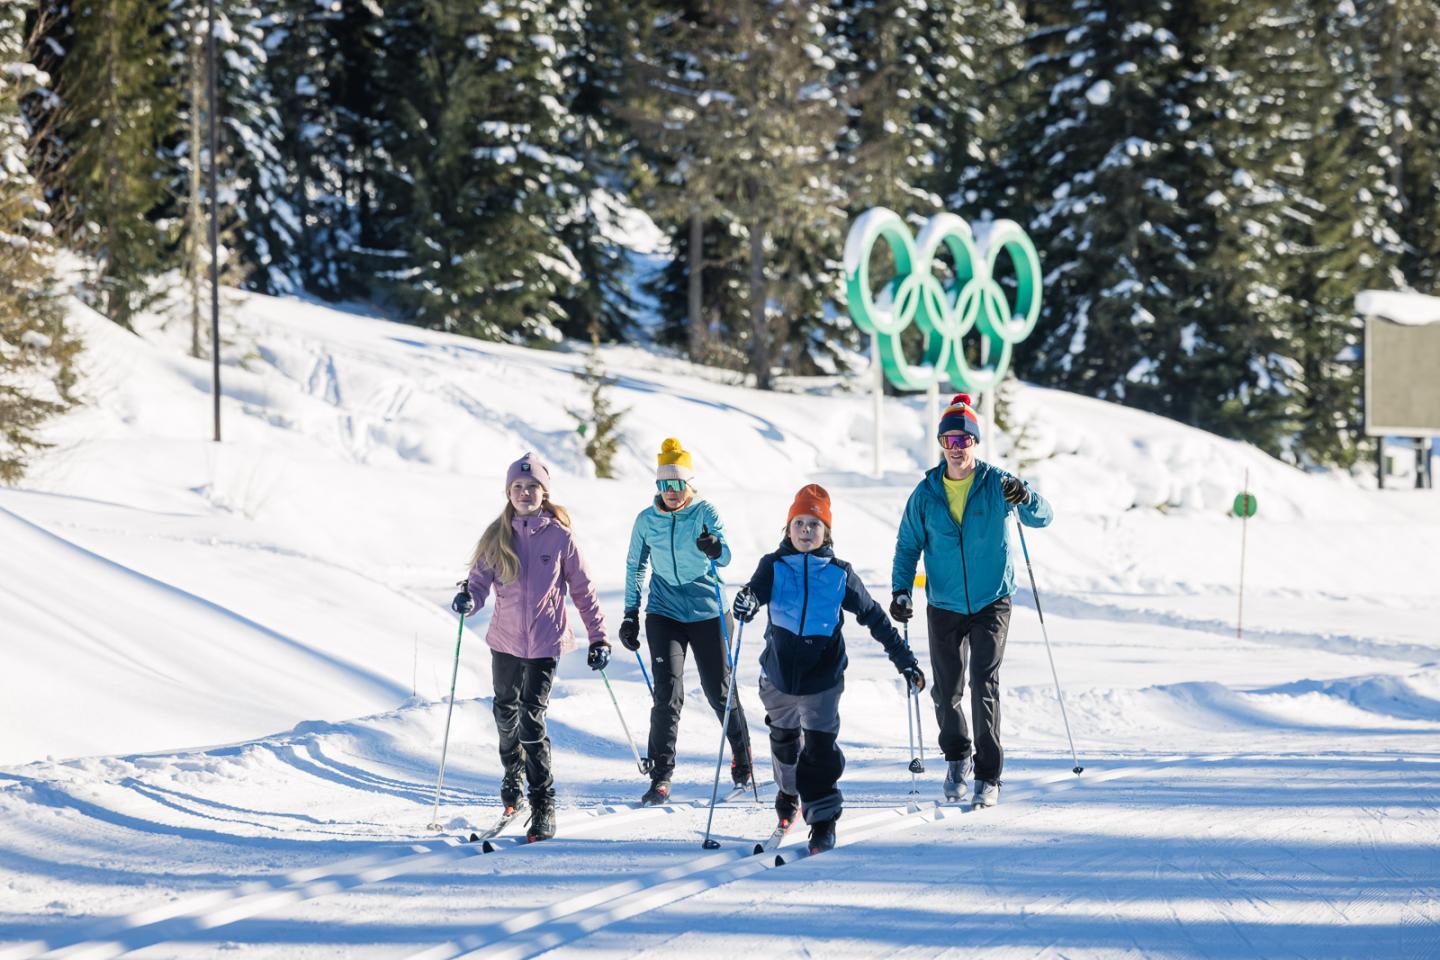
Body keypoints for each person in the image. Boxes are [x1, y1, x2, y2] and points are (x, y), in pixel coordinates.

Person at [732, 483, 925, 853]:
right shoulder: (772, 565)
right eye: (799, 523)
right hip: (778, 677)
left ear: (826, 532)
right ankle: (788, 797)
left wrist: (904, 660)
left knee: (819, 752)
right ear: (788, 528)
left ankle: (822, 820)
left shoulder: (840, 574)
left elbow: (875, 618)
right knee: (785, 746)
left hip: (822, 679)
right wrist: (747, 602)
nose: (806, 531)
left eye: (814, 525)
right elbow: (754, 592)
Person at [890, 393, 1053, 808]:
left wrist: (1026, 494)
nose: (957, 448)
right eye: (950, 440)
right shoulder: (925, 493)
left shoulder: (997, 483)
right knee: (946, 691)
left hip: (991, 598)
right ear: (941, 445)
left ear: (975, 443)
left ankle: (988, 774)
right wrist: (901, 590)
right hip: (944, 601)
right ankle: (957, 756)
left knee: (983, 682)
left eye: (964, 440)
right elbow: (908, 546)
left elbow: (1043, 516)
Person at [452, 452, 610, 842]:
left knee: (529, 720)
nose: (525, 492)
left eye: (532, 487)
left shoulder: (560, 537)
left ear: (544, 492)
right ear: (508, 492)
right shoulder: (497, 535)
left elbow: (584, 591)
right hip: (504, 641)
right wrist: (468, 600)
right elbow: (478, 582)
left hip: (544, 642)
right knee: (504, 713)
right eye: (518, 487)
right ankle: (512, 781)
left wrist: (599, 636)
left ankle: (543, 805)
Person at [620, 438, 753, 805]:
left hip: (708, 610)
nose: (672, 492)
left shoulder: (705, 511)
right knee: (667, 693)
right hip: (664, 611)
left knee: (719, 691)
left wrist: (714, 547)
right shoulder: (647, 520)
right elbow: (636, 566)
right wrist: (631, 613)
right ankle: (661, 776)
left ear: (689, 485)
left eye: (678, 484)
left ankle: (742, 756)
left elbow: (724, 555)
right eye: (664, 484)